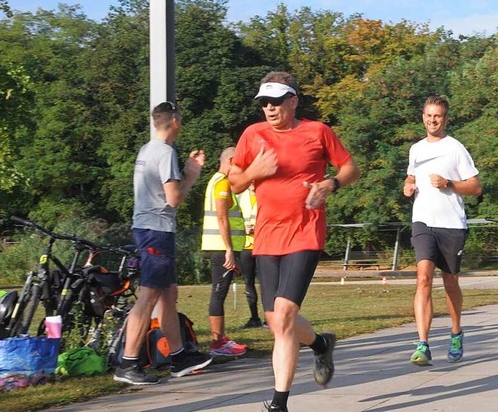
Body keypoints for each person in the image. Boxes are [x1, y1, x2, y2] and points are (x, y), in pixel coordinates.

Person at [228, 71, 361, 412]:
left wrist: (329, 185)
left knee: (285, 313)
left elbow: (350, 169)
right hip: (267, 236)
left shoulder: (317, 131)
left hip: (305, 230)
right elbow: (235, 183)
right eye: (264, 103)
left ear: (293, 100)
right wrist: (254, 172)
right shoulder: (252, 135)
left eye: (275, 102)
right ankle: (320, 344)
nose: (269, 109)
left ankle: (279, 404)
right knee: (276, 322)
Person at [115, 101, 212, 385]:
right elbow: (173, 199)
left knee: (169, 295)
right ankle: (128, 363)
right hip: (155, 230)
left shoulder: (147, 150)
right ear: (175, 122)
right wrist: (192, 173)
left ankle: (179, 357)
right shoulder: (166, 152)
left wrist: (186, 169)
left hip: (149, 228)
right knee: (148, 297)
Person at [403, 95, 482, 367]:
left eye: (437, 116)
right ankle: (422, 344)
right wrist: (408, 186)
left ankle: (456, 331)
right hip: (423, 220)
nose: (432, 120)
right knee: (423, 276)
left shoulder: (456, 149)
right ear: (423, 116)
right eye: (428, 115)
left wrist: (449, 183)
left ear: (445, 119)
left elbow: (475, 187)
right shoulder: (416, 149)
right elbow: (411, 177)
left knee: (450, 283)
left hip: (451, 224)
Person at [201, 146, 248, 357]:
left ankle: (220, 339)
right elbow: (222, 217)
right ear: (230, 160)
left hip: (222, 246)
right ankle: (217, 342)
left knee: (220, 292)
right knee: (218, 292)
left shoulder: (217, 180)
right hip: (221, 247)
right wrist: (229, 249)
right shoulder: (222, 182)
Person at [238, 183, 265, 329]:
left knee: (266, 283)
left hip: (264, 245)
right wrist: (244, 228)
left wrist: (258, 228)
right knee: (249, 282)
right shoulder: (239, 196)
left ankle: (270, 317)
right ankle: (254, 317)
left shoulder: (266, 194)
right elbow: (234, 219)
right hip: (245, 246)